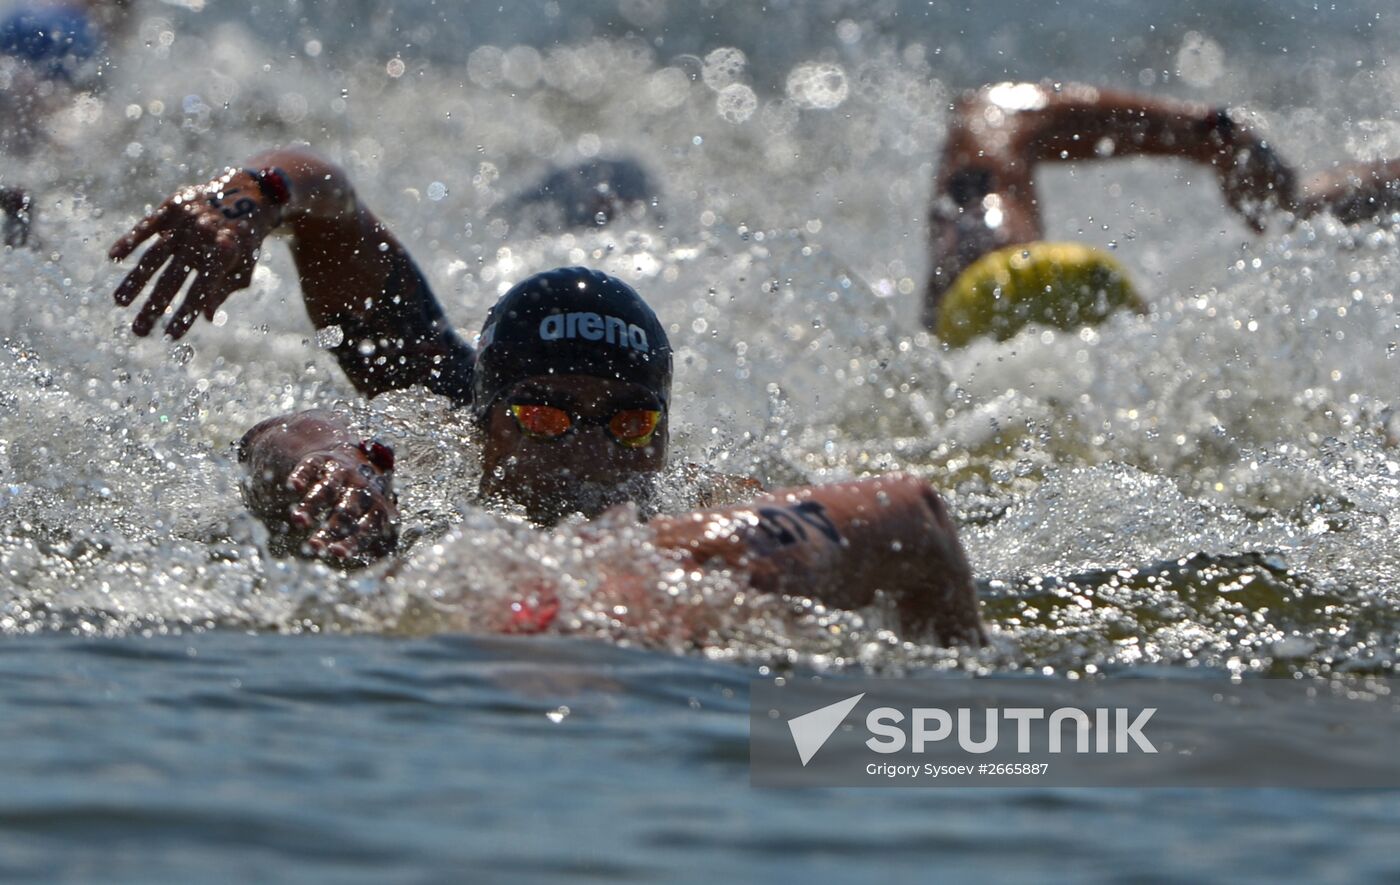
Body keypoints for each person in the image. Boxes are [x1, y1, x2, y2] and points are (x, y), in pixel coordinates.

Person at [107, 149, 987, 646]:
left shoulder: (701, 511)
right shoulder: (436, 430)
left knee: (614, 181)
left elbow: (914, 510)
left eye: (631, 421)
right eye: (544, 416)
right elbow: (286, 426)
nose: (589, 446)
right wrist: (250, 199)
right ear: (486, 423)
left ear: (665, 433)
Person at [926, 81, 1400, 345]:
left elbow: (989, 116)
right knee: (1296, 207)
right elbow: (995, 113)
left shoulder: (975, 261)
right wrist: (1217, 133)